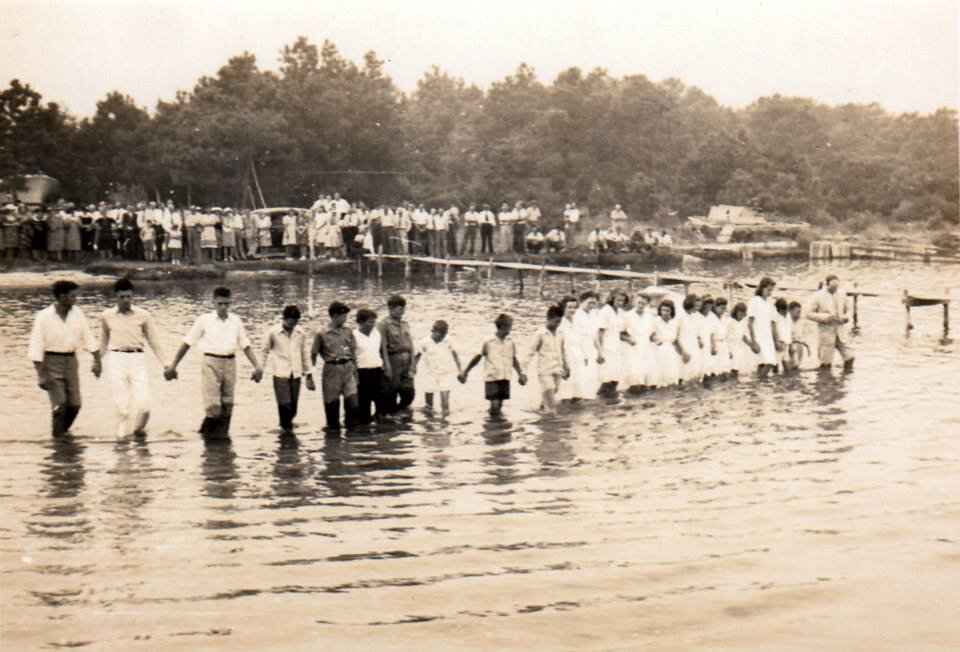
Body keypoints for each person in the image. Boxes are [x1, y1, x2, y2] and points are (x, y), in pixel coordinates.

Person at [165, 286, 263, 440]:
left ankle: (222, 444)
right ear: (214, 302)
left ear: (230, 303)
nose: (223, 307)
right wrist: (173, 365)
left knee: (227, 406)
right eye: (220, 304)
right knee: (214, 408)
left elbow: (245, 344)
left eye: (226, 304)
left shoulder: (236, 320)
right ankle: (204, 438)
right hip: (211, 362)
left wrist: (257, 367)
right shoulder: (204, 320)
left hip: (230, 363)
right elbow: (187, 342)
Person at [28, 280, 101, 437]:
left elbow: (87, 336)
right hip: (50, 361)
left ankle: (63, 437)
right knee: (60, 405)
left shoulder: (77, 313)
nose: (76, 299)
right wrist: (40, 375)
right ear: (61, 297)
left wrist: (97, 359)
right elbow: (36, 345)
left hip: (71, 362)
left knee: (75, 404)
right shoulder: (44, 316)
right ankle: (58, 440)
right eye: (73, 296)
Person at [98, 278, 167, 438]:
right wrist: (96, 362)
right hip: (116, 359)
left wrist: (166, 365)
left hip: (137, 359)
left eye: (129, 297)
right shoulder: (107, 316)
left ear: (132, 296)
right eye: (122, 297)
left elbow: (154, 342)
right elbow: (103, 342)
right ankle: (121, 440)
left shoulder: (143, 315)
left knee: (144, 405)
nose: (126, 300)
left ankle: (138, 432)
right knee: (122, 405)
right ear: (115, 297)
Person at [459, 313, 526, 416]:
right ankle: (494, 426)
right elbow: (477, 358)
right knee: (494, 405)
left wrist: (520, 373)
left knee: (499, 405)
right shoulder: (488, 341)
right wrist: (466, 372)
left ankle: (496, 425)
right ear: (504, 326)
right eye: (510, 326)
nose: (511, 329)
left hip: (505, 376)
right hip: (492, 378)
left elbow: (513, 359)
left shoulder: (510, 342)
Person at [261, 305, 314, 435]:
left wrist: (309, 375)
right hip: (280, 373)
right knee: (285, 406)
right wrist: (260, 369)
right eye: (290, 323)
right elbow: (264, 351)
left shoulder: (300, 333)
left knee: (293, 408)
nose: (292, 326)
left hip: (295, 374)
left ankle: (287, 432)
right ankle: (286, 435)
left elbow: (305, 354)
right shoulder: (273, 332)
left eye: (295, 323)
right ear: (284, 319)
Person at [311, 301, 359, 431]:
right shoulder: (322, 333)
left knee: (353, 404)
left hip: (348, 367)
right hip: (332, 369)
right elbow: (313, 354)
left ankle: (351, 438)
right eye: (343, 316)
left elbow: (353, 351)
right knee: (332, 405)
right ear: (335, 316)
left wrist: (356, 371)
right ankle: (333, 436)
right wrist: (310, 376)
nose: (345, 319)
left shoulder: (348, 331)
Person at [807, 274, 855, 372]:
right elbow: (808, 313)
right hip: (826, 331)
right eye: (832, 288)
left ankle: (845, 380)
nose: (834, 290)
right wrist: (825, 317)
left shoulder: (841, 294)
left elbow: (849, 309)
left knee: (850, 357)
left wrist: (846, 318)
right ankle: (825, 383)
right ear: (827, 284)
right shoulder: (818, 296)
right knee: (826, 363)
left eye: (836, 288)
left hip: (840, 331)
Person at [413, 320, 462, 414]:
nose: (442, 338)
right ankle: (429, 424)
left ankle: (445, 425)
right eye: (440, 336)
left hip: (445, 374)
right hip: (429, 374)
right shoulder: (424, 342)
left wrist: (460, 371)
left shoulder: (449, 340)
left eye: (444, 336)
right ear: (434, 331)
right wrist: (413, 369)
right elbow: (416, 357)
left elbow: (456, 356)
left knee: (445, 405)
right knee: (429, 407)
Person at [378, 295, 415, 413]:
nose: (402, 312)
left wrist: (413, 363)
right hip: (393, 359)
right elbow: (383, 346)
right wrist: (386, 365)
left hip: (406, 360)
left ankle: (402, 413)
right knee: (391, 391)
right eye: (400, 309)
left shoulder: (405, 324)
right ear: (391, 309)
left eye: (403, 309)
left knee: (409, 393)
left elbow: (411, 345)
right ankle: (391, 417)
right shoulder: (383, 325)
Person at [525, 305, 564, 413]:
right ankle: (552, 426)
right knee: (552, 405)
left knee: (548, 399)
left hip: (557, 370)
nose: (557, 325)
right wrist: (523, 372)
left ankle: (541, 417)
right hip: (545, 372)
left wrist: (566, 366)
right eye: (556, 321)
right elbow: (529, 353)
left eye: (560, 322)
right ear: (548, 319)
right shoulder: (540, 334)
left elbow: (562, 352)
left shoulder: (560, 333)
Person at [354, 308, 387, 424]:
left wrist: (386, 367)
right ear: (361, 322)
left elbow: (381, 351)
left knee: (381, 404)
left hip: (377, 371)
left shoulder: (376, 333)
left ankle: (380, 433)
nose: (373, 325)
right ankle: (365, 433)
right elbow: (352, 358)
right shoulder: (354, 336)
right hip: (362, 373)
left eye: (374, 322)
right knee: (364, 405)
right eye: (370, 322)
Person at [621, 292, 657, 392]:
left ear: (647, 305)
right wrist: (629, 339)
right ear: (634, 302)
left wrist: (655, 338)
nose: (641, 305)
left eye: (644, 304)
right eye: (639, 303)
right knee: (635, 378)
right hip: (633, 348)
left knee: (646, 379)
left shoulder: (650, 316)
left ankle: (645, 403)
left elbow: (653, 333)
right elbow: (621, 333)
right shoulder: (627, 316)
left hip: (647, 348)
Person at [747, 277, 779, 378]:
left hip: (768, 337)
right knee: (767, 362)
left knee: (768, 362)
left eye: (771, 290)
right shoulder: (754, 301)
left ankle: (759, 386)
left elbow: (773, 323)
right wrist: (753, 341)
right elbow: (750, 323)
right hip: (758, 336)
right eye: (768, 290)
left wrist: (776, 340)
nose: (769, 292)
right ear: (761, 288)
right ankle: (758, 381)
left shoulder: (770, 303)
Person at [597, 290, 629, 394]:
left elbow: (621, 332)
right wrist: (600, 352)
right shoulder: (605, 311)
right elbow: (600, 333)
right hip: (606, 347)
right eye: (618, 300)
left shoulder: (621, 313)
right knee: (606, 378)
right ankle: (603, 400)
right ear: (612, 299)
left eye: (622, 301)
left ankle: (612, 400)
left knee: (616, 377)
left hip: (617, 347)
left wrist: (630, 339)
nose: (620, 303)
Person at [652, 298, 681, 387]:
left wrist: (681, 352)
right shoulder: (656, 320)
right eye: (663, 310)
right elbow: (651, 334)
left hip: (671, 349)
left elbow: (676, 338)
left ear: (671, 311)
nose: (665, 313)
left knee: (672, 373)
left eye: (667, 311)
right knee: (660, 373)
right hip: (659, 349)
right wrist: (656, 340)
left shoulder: (674, 322)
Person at [677, 294, 703, 384]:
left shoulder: (696, 316)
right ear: (690, 304)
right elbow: (676, 336)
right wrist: (683, 351)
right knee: (685, 374)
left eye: (699, 306)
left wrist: (700, 339)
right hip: (685, 345)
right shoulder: (680, 316)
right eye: (696, 306)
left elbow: (696, 332)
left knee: (696, 373)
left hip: (694, 346)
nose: (698, 308)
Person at [726, 302, 754, 377]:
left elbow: (743, 336)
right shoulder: (729, 321)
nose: (741, 316)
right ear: (736, 312)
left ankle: (734, 384)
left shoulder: (743, 322)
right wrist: (728, 350)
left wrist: (751, 345)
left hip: (738, 347)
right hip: (730, 345)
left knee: (736, 368)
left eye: (743, 314)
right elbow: (725, 337)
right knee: (730, 368)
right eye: (740, 313)